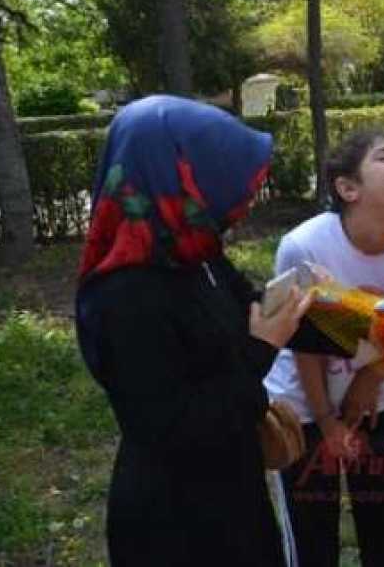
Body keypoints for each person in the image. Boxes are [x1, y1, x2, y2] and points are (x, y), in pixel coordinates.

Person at [75, 95, 319, 566]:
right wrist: (261, 348)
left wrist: (358, 319)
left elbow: (250, 310)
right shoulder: (123, 294)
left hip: (232, 491)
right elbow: (172, 426)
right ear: (177, 173)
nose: (247, 196)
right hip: (175, 525)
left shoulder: (194, 252)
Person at [265, 130, 384, 567]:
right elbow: (300, 341)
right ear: (348, 189)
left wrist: (370, 380)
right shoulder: (304, 246)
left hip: (373, 405)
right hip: (302, 410)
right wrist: (327, 422)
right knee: (313, 540)